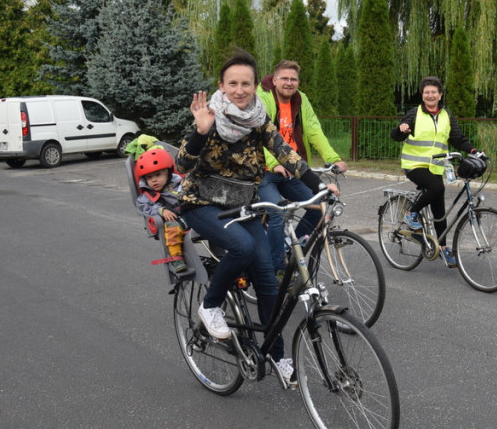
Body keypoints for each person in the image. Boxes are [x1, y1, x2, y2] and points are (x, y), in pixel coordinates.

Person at [176, 51, 328, 380]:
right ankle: (210, 306)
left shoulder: (259, 119)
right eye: (233, 83)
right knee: (242, 247)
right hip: (202, 202)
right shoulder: (209, 116)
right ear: (222, 85)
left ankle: (278, 357)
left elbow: (286, 152)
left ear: (256, 85)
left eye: (246, 83)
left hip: (244, 204)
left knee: (267, 283)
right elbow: (182, 166)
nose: (240, 89)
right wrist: (200, 132)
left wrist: (319, 185)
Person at [257, 60, 348, 273]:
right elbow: (259, 135)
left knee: (318, 206)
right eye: (285, 78)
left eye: (293, 79)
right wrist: (273, 163)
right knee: (277, 214)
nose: (289, 83)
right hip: (265, 171)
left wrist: (333, 158)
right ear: (275, 79)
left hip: (292, 168)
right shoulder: (262, 98)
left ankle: (291, 249)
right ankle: (276, 271)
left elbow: (314, 129)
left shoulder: (301, 99)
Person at [390, 76, 484, 268]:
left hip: (435, 167)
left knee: (439, 211)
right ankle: (411, 214)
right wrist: (401, 129)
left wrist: (474, 151)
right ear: (422, 95)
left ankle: (442, 248)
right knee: (437, 188)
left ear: (440, 95)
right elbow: (396, 135)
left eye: (434, 92)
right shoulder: (414, 113)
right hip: (414, 165)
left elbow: (457, 138)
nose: (430, 95)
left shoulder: (446, 116)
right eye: (426, 92)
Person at [133, 147, 194, 278]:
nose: (154, 180)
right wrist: (160, 210)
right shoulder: (147, 196)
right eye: (149, 177)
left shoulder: (180, 184)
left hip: (191, 215)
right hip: (174, 222)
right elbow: (142, 206)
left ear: (168, 173)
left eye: (158, 175)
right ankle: (176, 259)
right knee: (172, 229)